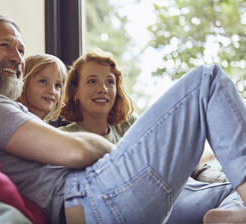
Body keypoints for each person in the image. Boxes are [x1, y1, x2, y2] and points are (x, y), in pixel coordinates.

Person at [0, 15, 246, 224]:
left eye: (20, 49)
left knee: (225, 189)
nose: (17, 57)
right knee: (206, 82)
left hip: (101, 198)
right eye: (5, 45)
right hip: (95, 197)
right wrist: (126, 155)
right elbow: (76, 151)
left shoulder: (0, 109)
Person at [59, 51, 244, 223]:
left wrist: (214, 177)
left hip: (178, 194)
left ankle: (223, 218)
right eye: (92, 81)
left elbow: (176, 156)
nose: (103, 89)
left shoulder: (128, 125)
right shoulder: (67, 137)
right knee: (209, 76)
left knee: (232, 189)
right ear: (75, 91)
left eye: (110, 82)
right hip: (143, 201)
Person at [17, 53, 67, 122]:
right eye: (43, 81)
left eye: (57, 85)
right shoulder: (17, 120)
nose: (52, 91)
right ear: (24, 83)